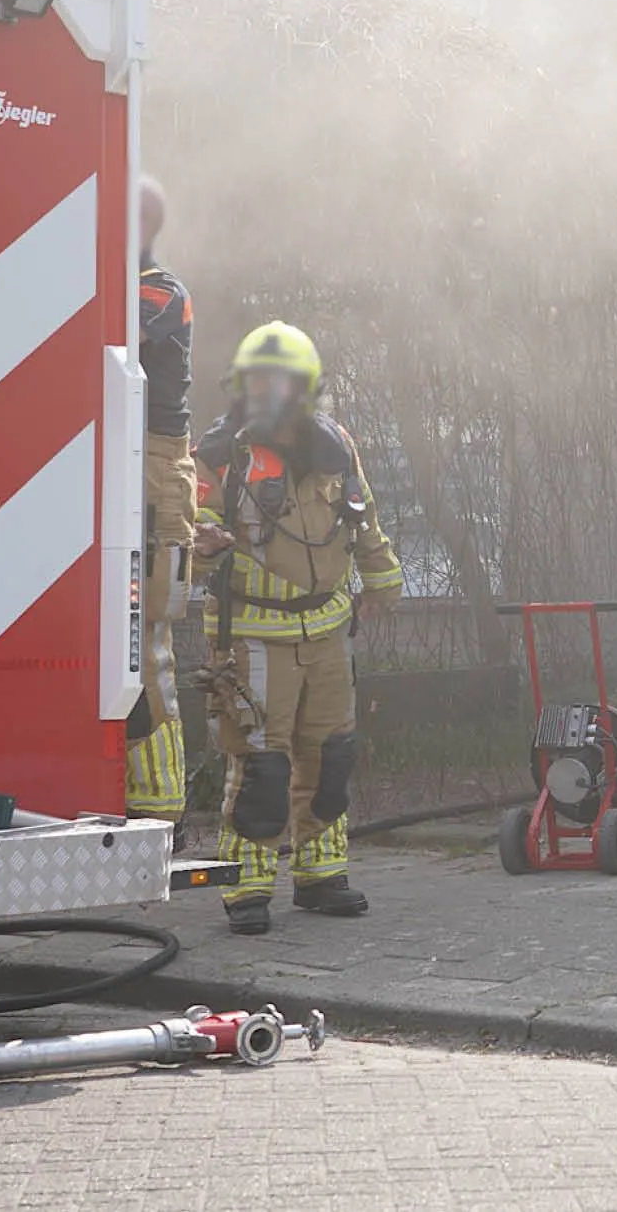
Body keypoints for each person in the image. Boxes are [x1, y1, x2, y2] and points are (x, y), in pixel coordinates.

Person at [194, 321, 402, 934]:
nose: (272, 391)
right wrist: (202, 546)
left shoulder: (337, 446)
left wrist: (383, 580)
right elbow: (177, 537)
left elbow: (365, 516)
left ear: (307, 386)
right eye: (260, 380)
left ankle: (321, 874)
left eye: (282, 379)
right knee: (260, 761)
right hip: (254, 636)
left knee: (331, 754)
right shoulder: (218, 454)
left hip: (330, 630)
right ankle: (248, 887)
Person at [125, 177, 197, 836]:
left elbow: (113, 334)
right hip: (122, 460)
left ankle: (158, 806)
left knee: (145, 639)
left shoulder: (159, 289)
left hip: (153, 469)